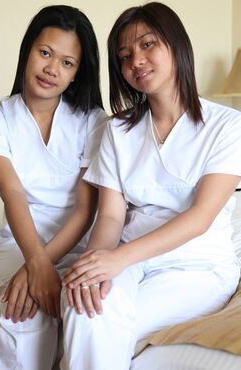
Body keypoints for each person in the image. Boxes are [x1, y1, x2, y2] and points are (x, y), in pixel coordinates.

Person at [61, 2, 241, 369]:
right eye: (125, 56)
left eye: (147, 45)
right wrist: (96, 265)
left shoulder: (228, 126)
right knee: (85, 306)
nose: (135, 61)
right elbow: (110, 215)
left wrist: (117, 259)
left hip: (198, 265)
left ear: (176, 45)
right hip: (132, 258)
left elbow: (200, 218)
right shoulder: (116, 130)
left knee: (102, 322)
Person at [0, 5, 107, 370]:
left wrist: (41, 266)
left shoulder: (93, 122)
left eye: (67, 63)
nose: (51, 69)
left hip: (80, 247)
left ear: (77, 73)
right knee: (26, 316)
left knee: (85, 316)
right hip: (17, 242)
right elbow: (14, 195)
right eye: (45, 53)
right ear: (28, 51)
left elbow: (85, 210)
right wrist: (35, 261)